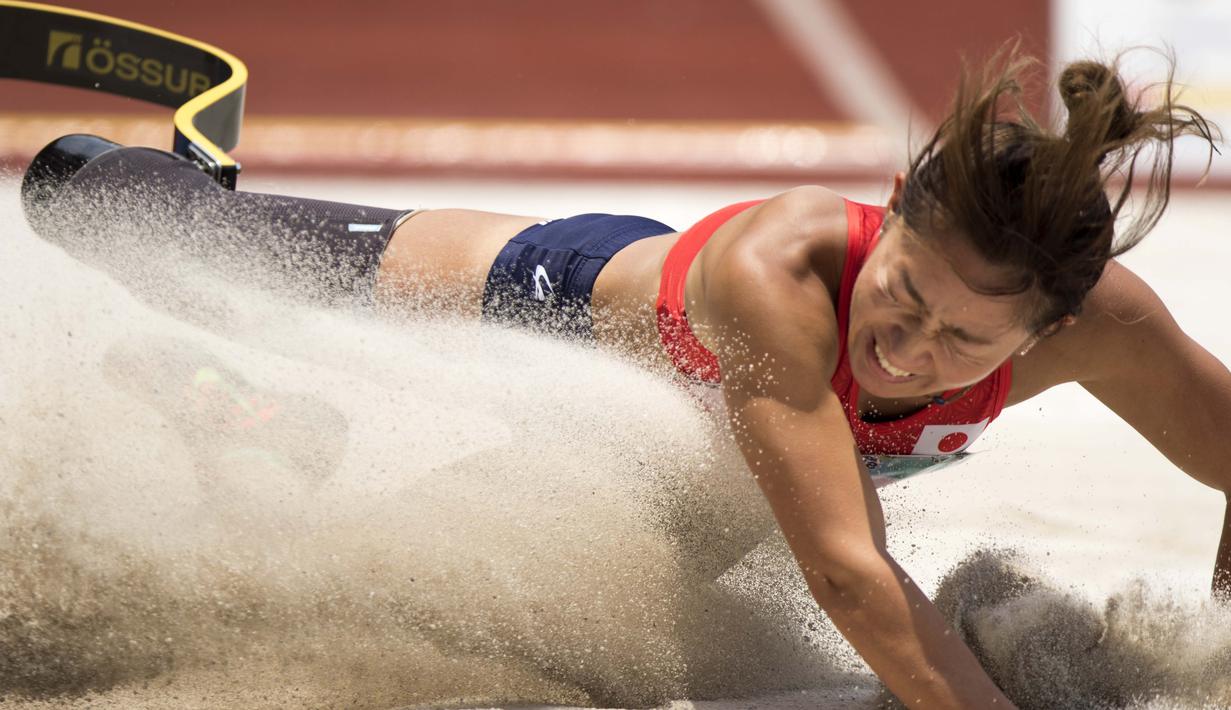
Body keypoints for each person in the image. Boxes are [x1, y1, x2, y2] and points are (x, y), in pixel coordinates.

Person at [20, 47, 1228, 709]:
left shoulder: (1105, 325)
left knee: (353, 602)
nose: (910, 350)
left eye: (964, 342)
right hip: (562, 300)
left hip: (697, 470)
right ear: (888, 221)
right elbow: (854, 577)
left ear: (1046, 332)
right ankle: (113, 173)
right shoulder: (778, 276)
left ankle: (265, 422)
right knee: (175, 251)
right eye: (900, 295)